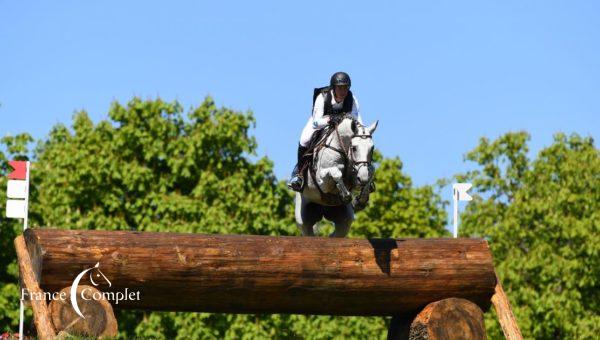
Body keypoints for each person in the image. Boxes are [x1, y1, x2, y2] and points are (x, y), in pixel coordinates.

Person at [287, 71, 363, 191]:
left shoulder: (352, 99)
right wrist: (331, 119)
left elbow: (357, 120)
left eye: (345, 87)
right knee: (304, 139)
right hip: (321, 124)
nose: (343, 91)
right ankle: (299, 174)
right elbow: (316, 122)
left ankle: (361, 174)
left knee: (361, 143)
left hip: (342, 127)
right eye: (340, 88)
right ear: (333, 87)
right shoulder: (322, 97)